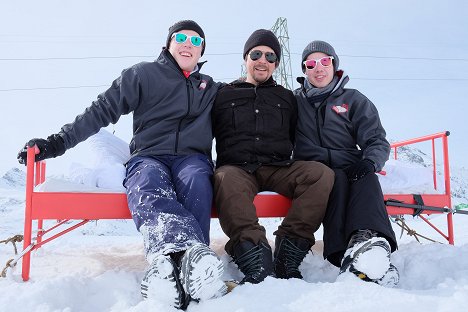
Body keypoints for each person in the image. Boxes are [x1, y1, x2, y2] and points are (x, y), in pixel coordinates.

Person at [17, 20, 227, 309]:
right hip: (149, 155)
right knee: (147, 182)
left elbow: (248, 109)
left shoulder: (212, 88)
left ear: (202, 50)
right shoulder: (143, 75)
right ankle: (168, 258)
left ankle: (193, 266)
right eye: (181, 37)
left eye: (196, 40)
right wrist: (56, 143)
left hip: (193, 158)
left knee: (197, 180)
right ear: (168, 43)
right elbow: (101, 110)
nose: (188, 43)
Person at [212, 29, 335, 285]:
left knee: (320, 174)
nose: (263, 60)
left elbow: (304, 129)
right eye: (256, 54)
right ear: (246, 58)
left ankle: (289, 251)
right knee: (225, 177)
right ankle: (253, 252)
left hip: (279, 167)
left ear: (276, 64)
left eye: (270, 56)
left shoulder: (287, 97)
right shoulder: (222, 95)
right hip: (238, 168)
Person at [293, 40, 399, 287]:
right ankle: (345, 255)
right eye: (311, 64)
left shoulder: (353, 99)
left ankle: (369, 240)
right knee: (334, 180)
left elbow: (376, 139)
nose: (318, 68)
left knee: (365, 177)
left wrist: (370, 161)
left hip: (349, 162)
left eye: (324, 61)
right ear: (304, 70)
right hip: (314, 168)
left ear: (334, 64)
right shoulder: (295, 101)